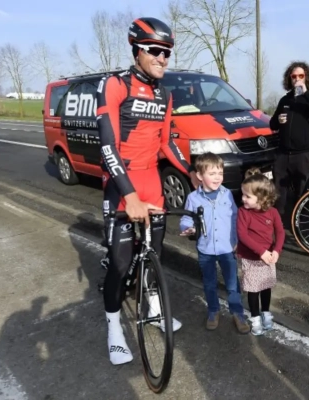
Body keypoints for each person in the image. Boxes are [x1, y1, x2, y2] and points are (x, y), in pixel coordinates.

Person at [98, 16, 199, 365]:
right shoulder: (115, 85)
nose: (162, 58)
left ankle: (154, 309)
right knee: (120, 264)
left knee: (155, 254)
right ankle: (114, 330)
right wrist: (128, 196)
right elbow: (107, 147)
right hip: (121, 185)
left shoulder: (164, 94)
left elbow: (166, 143)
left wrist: (191, 173)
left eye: (167, 52)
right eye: (155, 50)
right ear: (137, 50)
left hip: (151, 183)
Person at [179, 153, 250, 333]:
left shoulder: (227, 194)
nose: (217, 177)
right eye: (212, 174)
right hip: (206, 248)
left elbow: (235, 218)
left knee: (232, 284)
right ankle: (213, 310)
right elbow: (186, 218)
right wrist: (187, 228)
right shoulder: (193, 198)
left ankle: (238, 312)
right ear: (200, 176)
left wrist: (237, 240)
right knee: (209, 283)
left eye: (220, 173)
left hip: (227, 247)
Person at [270, 61, 309, 216]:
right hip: (283, 153)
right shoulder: (285, 100)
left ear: (306, 77)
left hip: (302, 154)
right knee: (278, 192)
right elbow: (272, 124)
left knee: (301, 191)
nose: (297, 79)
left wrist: (306, 93)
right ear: (289, 78)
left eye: (300, 76)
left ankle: (298, 222)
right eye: (294, 76)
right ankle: (277, 222)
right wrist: (278, 120)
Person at [236, 168, 285, 335]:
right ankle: (255, 317)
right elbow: (242, 235)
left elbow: (280, 232)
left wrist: (276, 251)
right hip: (251, 257)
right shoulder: (243, 212)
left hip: (268, 257)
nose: (243, 199)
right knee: (253, 289)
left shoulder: (273, 212)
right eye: (243, 195)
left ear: (262, 198)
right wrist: (261, 251)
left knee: (266, 286)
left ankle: (265, 312)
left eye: (247, 196)